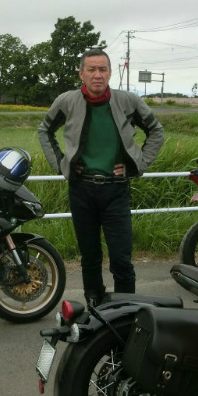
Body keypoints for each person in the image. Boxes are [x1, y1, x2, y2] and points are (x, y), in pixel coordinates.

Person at [38, 48, 164, 305]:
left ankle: (126, 312)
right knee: (90, 257)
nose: (98, 75)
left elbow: (156, 131)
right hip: (81, 189)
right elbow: (45, 131)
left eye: (103, 69)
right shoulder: (67, 101)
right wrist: (62, 165)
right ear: (81, 74)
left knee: (121, 259)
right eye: (92, 69)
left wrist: (136, 165)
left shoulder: (128, 101)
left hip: (116, 189)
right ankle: (95, 308)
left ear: (110, 73)